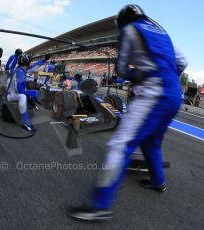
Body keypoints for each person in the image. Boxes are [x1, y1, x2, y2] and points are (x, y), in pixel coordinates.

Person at [68, 4, 188, 221]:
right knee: (151, 143)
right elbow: (183, 61)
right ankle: (158, 182)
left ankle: (100, 206)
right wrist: (168, 76)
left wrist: (137, 75)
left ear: (124, 20)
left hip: (154, 92)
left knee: (119, 145)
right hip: (174, 95)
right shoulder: (163, 33)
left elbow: (122, 69)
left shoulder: (129, 30)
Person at [6, 53, 48, 132]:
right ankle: (25, 122)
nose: (31, 64)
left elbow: (34, 66)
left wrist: (44, 60)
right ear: (27, 62)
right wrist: (33, 94)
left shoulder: (21, 69)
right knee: (24, 96)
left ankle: (30, 107)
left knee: (30, 92)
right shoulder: (19, 72)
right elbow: (20, 91)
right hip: (10, 95)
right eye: (30, 61)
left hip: (13, 92)